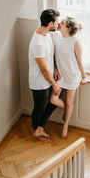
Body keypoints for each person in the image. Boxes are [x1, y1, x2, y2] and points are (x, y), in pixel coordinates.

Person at [50, 17, 87, 138]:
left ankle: (65, 125)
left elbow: (80, 62)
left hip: (72, 76)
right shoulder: (58, 37)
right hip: (60, 75)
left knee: (70, 103)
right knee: (53, 100)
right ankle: (67, 111)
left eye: (62, 22)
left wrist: (84, 77)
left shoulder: (76, 42)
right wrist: (55, 67)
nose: (59, 22)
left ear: (68, 28)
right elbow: (55, 56)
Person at [28, 9, 61, 142]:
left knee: (52, 102)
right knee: (39, 107)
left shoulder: (45, 34)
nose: (58, 24)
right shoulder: (38, 43)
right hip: (39, 81)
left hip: (47, 78)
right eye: (57, 22)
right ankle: (36, 130)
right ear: (51, 24)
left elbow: (48, 57)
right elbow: (42, 68)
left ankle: (40, 127)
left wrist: (55, 68)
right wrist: (54, 84)